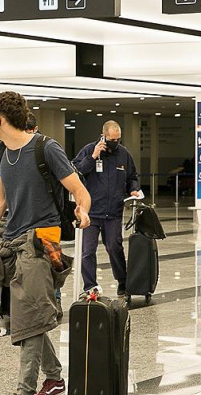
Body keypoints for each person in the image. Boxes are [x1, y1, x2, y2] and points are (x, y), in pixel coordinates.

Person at [0, 91, 91, 395]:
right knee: (9, 315)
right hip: (14, 240)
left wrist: (84, 211)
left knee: (30, 319)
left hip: (43, 241)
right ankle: (56, 377)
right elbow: (0, 201)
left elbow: (79, 190)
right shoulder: (0, 150)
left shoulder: (46, 148)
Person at [72, 120, 140, 296]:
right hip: (91, 211)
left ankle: (123, 282)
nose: (115, 143)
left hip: (113, 211)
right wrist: (93, 157)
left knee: (114, 248)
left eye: (118, 139)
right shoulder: (89, 150)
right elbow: (76, 172)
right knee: (88, 251)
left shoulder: (123, 154)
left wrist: (133, 188)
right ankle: (89, 286)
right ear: (103, 136)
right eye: (111, 139)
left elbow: (132, 175)